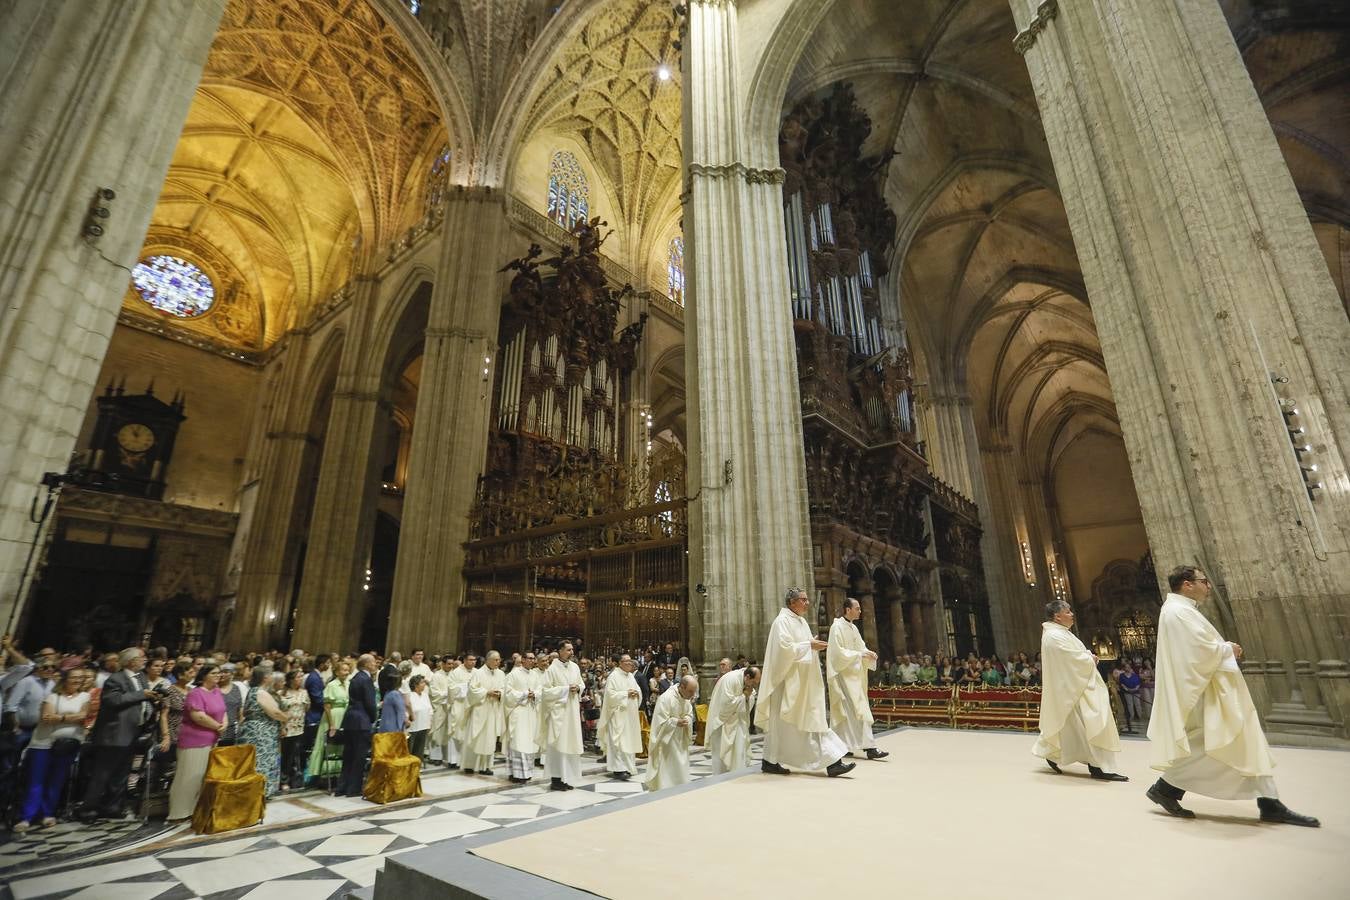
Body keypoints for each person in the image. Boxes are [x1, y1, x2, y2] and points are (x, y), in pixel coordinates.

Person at [1145, 566, 1318, 826]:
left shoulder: (1182, 610)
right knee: (1220, 743)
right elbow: (1195, 653)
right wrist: (1227, 649)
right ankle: (1166, 788)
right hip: (1204, 693)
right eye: (1204, 581)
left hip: (1208, 688)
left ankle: (1267, 802)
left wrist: (1222, 650)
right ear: (1186, 584)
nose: (1208, 586)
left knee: (1229, 742)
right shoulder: (1178, 612)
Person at [757, 588, 854, 777]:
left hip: (802, 684)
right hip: (787, 684)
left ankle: (770, 760)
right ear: (792, 602)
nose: (807, 603)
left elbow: (800, 647)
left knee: (807, 721)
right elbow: (783, 650)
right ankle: (832, 763)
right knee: (792, 723)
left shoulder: (800, 621)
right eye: (804, 599)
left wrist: (811, 645)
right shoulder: (782, 622)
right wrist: (809, 645)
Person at [1033, 600, 1128, 782]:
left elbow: (1075, 653)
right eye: (1068, 611)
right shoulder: (1053, 635)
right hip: (1072, 689)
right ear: (1057, 616)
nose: (1071, 614)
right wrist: (1088, 657)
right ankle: (1099, 767)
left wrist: (1087, 655)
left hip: (1076, 686)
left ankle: (1054, 753)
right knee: (1092, 722)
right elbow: (1070, 659)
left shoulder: (1061, 633)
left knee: (1073, 728)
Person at [79, 647, 153, 820]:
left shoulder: (141, 677)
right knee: (102, 773)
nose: (145, 660)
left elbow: (141, 700)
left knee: (122, 772)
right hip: (114, 733)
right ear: (131, 661)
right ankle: (88, 808)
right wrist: (141, 694)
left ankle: (112, 806)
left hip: (133, 731)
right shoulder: (116, 679)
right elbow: (114, 700)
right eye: (142, 657)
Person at [13, 667, 90, 832]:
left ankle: (48, 813)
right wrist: (71, 718)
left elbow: (83, 716)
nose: (78, 680)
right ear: (64, 679)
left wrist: (59, 717)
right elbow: (46, 718)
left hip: (67, 745)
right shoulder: (52, 696)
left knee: (56, 781)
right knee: (36, 781)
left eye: (81, 678)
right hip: (43, 743)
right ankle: (27, 817)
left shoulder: (85, 696)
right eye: (74, 677)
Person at [826, 597, 887, 761]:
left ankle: (862, 746)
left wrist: (869, 653)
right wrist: (860, 654)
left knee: (859, 711)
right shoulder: (836, 627)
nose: (860, 611)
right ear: (848, 609)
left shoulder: (853, 628)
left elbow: (861, 647)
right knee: (848, 713)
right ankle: (855, 746)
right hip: (843, 678)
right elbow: (837, 654)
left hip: (854, 678)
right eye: (857, 608)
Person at [168, 664, 227, 822]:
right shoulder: (196, 693)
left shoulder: (216, 691)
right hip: (194, 740)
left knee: (203, 777)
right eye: (214, 673)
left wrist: (224, 724)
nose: (218, 675)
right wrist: (218, 726)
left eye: (219, 673)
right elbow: (198, 716)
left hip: (212, 739)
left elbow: (223, 711)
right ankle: (179, 812)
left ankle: (195, 809)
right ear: (204, 676)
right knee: (189, 776)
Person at [539, 640, 584, 791]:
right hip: (558, 714)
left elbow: (581, 684)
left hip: (571, 712)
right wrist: (565, 689)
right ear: (560, 651)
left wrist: (578, 687)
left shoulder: (575, 667)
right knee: (558, 746)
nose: (572, 652)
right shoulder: (552, 669)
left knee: (570, 744)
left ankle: (566, 778)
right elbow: (546, 692)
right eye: (569, 650)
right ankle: (556, 779)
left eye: (572, 650)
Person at [643, 674, 697, 792]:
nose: (693, 695)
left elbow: (689, 713)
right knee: (669, 768)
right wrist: (675, 722)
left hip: (681, 738)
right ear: (682, 686)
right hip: (667, 741)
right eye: (690, 691)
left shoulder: (685, 697)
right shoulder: (666, 698)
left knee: (681, 766)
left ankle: (681, 788)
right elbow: (660, 723)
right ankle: (666, 790)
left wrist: (687, 719)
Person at [240, 669, 288, 797]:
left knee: (260, 760)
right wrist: (287, 717)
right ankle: (259, 792)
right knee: (261, 761)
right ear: (265, 677)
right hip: (260, 733)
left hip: (260, 731)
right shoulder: (260, 692)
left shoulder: (255, 691)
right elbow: (274, 712)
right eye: (271, 675)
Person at [597, 654, 643, 781]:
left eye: (630, 661)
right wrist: (626, 694)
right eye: (627, 661)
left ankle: (628, 767)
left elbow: (638, 691)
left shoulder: (631, 677)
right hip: (617, 715)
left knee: (628, 741)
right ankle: (618, 769)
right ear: (620, 663)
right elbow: (610, 695)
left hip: (629, 715)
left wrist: (636, 694)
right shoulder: (614, 676)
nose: (630, 663)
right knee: (618, 742)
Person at [706, 665, 759, 774]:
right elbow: (726, 705)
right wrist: (744, 696)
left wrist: (748, 697)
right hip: (723, 723)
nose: (754, 687)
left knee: (739, 752)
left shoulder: (746, 682)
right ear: (747, 677)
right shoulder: (731, 679)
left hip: (738, 722)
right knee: (722, 758)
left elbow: (751, 697)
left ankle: (738, 775)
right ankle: (721, 780)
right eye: (753, 683)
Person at [338, 654, 377, 797]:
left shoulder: (355, 677)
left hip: (350, 720)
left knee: (348, 755)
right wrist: (373, 718)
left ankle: (341, 787)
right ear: (366, 664)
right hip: (362, 721)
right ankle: (353, 789)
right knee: (359, 756)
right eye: (373, 662)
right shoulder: (366, 679)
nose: (375, 665)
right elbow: (370, 703)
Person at [462, 650, 506, 776]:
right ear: (488, 660)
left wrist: (500, 694)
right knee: (476, 737)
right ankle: (469, 765)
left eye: (499, 660)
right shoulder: (478, 673)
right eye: (495, 660)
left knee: (489, 739)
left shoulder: (501, 674)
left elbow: (504, 689)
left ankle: (485, 766)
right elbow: (472, 691)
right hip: (480, 710)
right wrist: (486, 692)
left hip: (493, 710)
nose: (498, 662)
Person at [308, 658, 350, 786]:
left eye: (348, 670)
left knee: (341, 746)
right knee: (329, 745)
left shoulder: (348, 684)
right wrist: (331, 724)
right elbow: (327, 705)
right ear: (337, 672)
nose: (346, 672)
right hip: (333, 716)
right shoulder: (332, 685)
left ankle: (337, 773)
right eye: (344, 670)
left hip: (344, 715)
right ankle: (323, 775)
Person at [503, 651, 541, 783]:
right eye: (529, 658)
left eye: (533, 658)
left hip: (531, 711)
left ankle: (527, 772)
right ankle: (515, 773)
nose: (532, 661)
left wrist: (534, 694)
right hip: (518, 712)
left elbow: (540, 690)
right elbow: (507, 694)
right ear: (523, 660)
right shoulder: (513, 674)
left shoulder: (535, 675)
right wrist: (525, 694)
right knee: (518, 741)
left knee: (529, 742)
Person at [278, 669, 309, 790]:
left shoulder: (304, 692)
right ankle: (282, 779)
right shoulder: (282, 692)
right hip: (286, 727)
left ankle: (293, 778)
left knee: (295, 754)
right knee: (285, 755)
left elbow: (306, 707)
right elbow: (279, 709)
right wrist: (282, 726)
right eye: (298, 677)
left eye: (302, 676)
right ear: (291, 679)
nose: (301, 679)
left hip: (299, 727)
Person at [427, 655, 459, 767]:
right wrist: (446, 694)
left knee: (448, 732)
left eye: (452, 664)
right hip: (440, 707)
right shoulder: (436, 676)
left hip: (451, 707)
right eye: (449, 664)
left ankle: (447, 756)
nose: (451, 666)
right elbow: (433, 693)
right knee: (437, 732)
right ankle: (435, 757)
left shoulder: (454, 675)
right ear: (443, 664)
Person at [447, 654, 477, 770]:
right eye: (470, 660)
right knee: (455, 732)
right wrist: (467, 686)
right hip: (458, 706)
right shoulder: (456, 672)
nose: (473, 662)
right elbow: (451, 689)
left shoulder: (477, 672)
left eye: (474, 660)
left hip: (470, 706)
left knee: (468, 734)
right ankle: (453, 760)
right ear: (464, 660)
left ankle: (466, 760)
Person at [303, 654, 331, 760]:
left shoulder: (317, 676)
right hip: (314, 714)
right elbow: (317, 698)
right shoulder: (314, 677)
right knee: (309, 743)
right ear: (322, 664)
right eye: (328, 663)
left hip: (316, 712)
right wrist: (328, 705)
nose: (329, 665)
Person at [406, 674, 432, 760]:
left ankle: (417, 765)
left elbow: (429, 709)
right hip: (413, 727)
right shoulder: (410, 695)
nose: (424, 684)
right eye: (422, 682)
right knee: (410, 748)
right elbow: (408, 710)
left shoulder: (425, 695)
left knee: (420, 748)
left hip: (424, 725)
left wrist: (430, 723)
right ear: (415, 685)